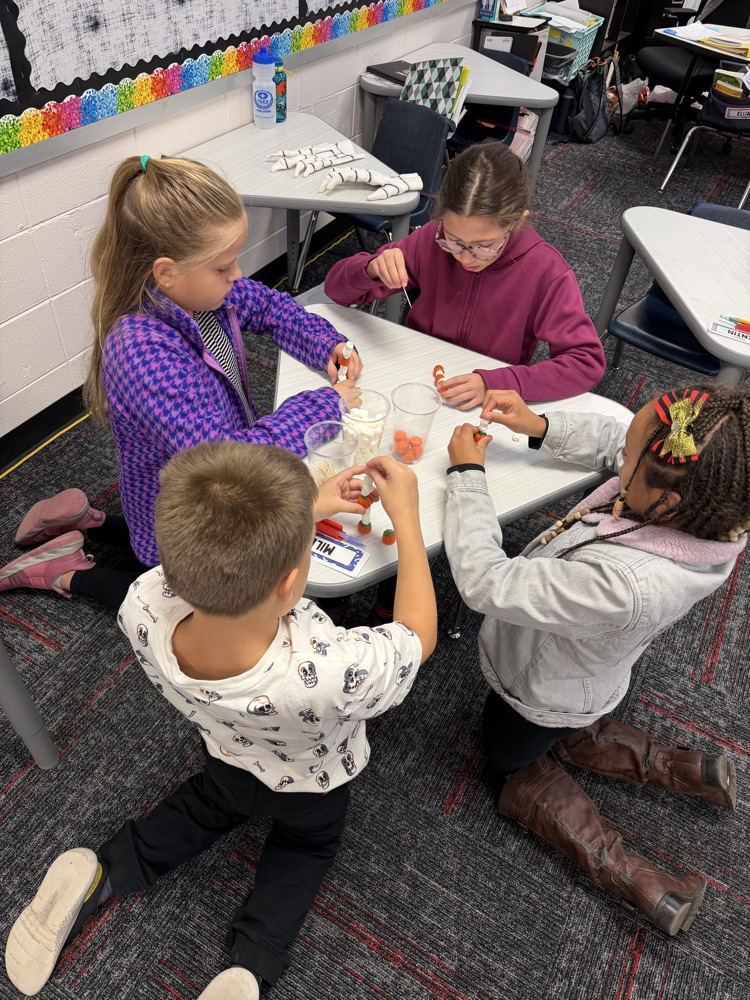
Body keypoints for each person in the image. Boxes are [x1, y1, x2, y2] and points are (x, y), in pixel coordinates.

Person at [5, 440, 436, 1000]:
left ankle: (104, 872)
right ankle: (250, 965)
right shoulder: (329, 668)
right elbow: (415, 638)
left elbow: (213, 554)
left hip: (227, 756)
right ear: (288, 583)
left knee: (201, 808)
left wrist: (305, 510)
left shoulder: (143, 602)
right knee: (305, 850)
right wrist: (407, 519)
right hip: (313, 785)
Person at [442, 384, 749, 935]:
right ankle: (669, 765)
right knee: (568, 728)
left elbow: (487, 581)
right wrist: (539, 425)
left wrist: (466, 477)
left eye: (629, 459)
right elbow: (621, 442)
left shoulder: (622, 586)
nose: (620, 456)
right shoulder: (706, 510)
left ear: (666, 500)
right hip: (583, 675)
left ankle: (633, 875)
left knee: (509, 756)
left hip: (537, 689)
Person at [1, 154, 363, 609]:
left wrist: (325, 343)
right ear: (166, 272)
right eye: (224, 266)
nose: (238, 275)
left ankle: (88, 520)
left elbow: (272, 307)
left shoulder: (204, 294)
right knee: (183, 612)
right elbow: (232, 462)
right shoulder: (142, 353)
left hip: (183, 487)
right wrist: (324, 405)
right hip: (182, 522)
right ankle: (65, 572)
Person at [324, 141, 605, 409]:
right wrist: (371, 268)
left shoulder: (546, 272)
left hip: (485, 399)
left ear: (517, 221)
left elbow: (586, 363)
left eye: (484, 247)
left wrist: (500, 383)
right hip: (418, 377)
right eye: (455, 241)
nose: (466, 258)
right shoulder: (430, 240)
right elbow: (335, 291)